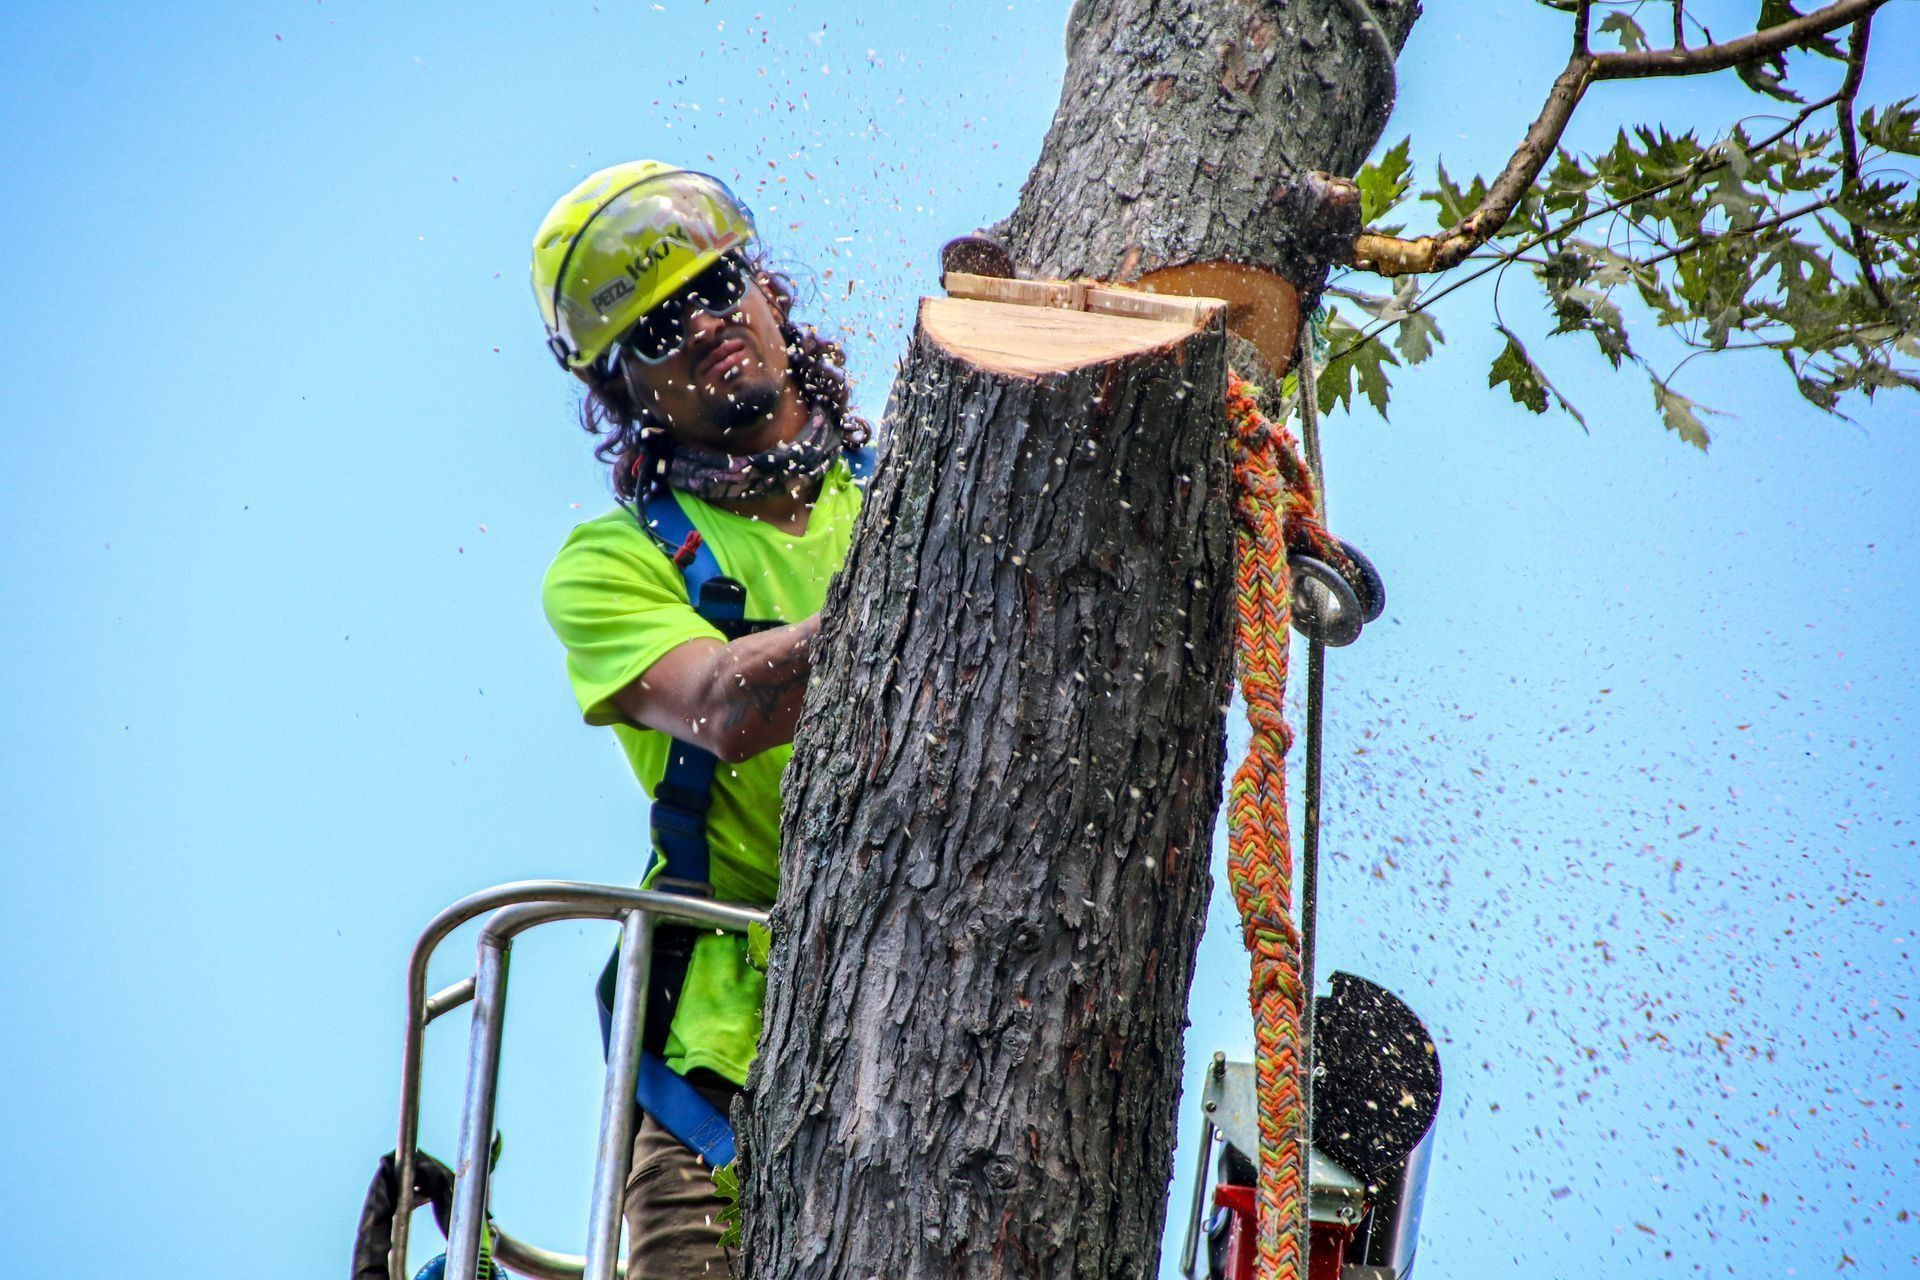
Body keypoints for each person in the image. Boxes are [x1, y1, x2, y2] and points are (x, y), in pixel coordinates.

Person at [531, 160, 871, 1279]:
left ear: (768, 291)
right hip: (725, 1056)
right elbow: (728, 704)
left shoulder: (904, 488)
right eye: (661, 323)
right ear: (626, 388)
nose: (706, 323)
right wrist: (915, 598)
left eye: (719, 286)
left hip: (942, 1002)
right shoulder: (612, 565)